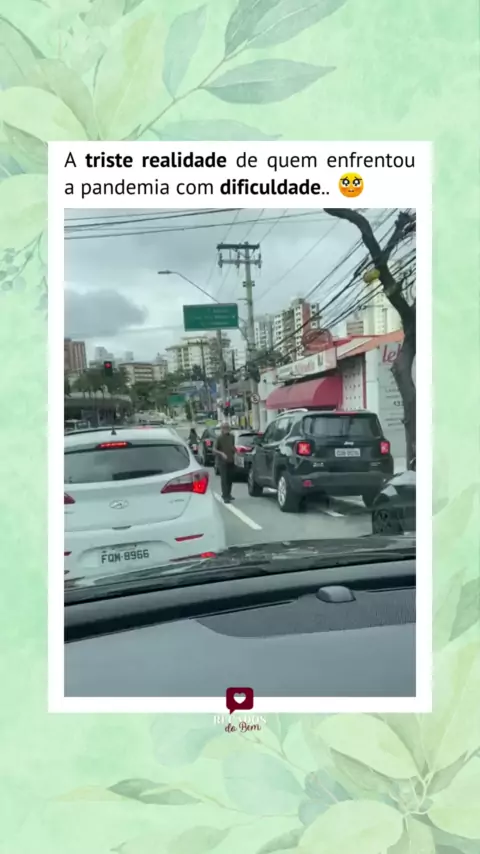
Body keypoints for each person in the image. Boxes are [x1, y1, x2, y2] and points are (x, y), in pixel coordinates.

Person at [214, 421, 235, 503]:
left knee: (230, 478)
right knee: (224, 479)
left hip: (231, 460)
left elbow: (232, 447)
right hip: (222, 462)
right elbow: (214, 450)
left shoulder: (232, 437)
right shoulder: (219, 438)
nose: (226, 429)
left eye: (227, 427)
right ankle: (225, 496)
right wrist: (222, 453)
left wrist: (236, 451)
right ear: (221, 429)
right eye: (224, 428)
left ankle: (228, 494)